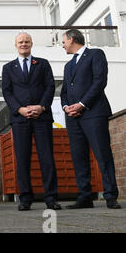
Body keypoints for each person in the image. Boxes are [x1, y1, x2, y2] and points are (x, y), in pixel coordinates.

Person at [61, 29, 121, 209]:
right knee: (79, 157)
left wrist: (82, 104)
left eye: (63, 41)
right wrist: (66, 107)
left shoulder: (95, 54)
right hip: (73, 118)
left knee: (103, 154)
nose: (62, 45)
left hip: (93, 113)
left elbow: (99, 81)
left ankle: (110, 196)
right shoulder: (67, 66)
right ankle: (85, 196)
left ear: (72, 39)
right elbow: (64, 91)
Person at [2, 33, 60, 211]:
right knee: (22, 158)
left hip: (41, 117)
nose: (24, 44)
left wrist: (42, 106)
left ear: (32, 44)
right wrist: (20, 109)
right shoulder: (8, 67)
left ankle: (51, 198)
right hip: (20, 119)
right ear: (15, 44)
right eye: (20, 42)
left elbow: (50, 86)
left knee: (47, 157)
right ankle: (25, 198)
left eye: (27, 41)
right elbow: (7, 91)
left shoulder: (42, 63)